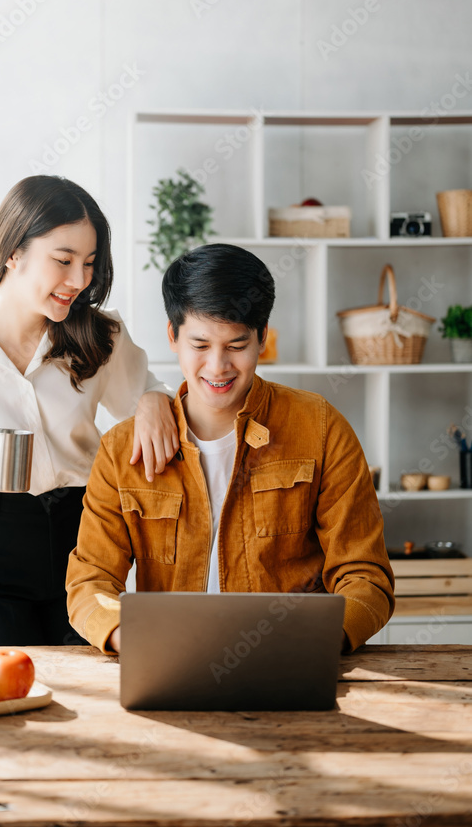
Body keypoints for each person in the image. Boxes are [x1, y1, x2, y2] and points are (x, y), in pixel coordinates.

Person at [66, 243, 395, 655]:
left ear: (262, 337)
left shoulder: (321, 428)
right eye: (200, 345)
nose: (218, 367)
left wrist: (316, 642)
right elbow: (90, 580)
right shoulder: (120, 449)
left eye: (236, 346)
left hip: (293, 661)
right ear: (173, 336)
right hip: (170, 661)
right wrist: (128, 636)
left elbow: (366, 575)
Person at [0, 175, 178, 647]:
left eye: (90, 264)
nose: (79, 281)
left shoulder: (99, 337)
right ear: (14, 252)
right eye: (63, 260)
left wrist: (155, 397)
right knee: (9, 705)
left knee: (93, 705)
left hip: (85, 547)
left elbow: (145, 391)